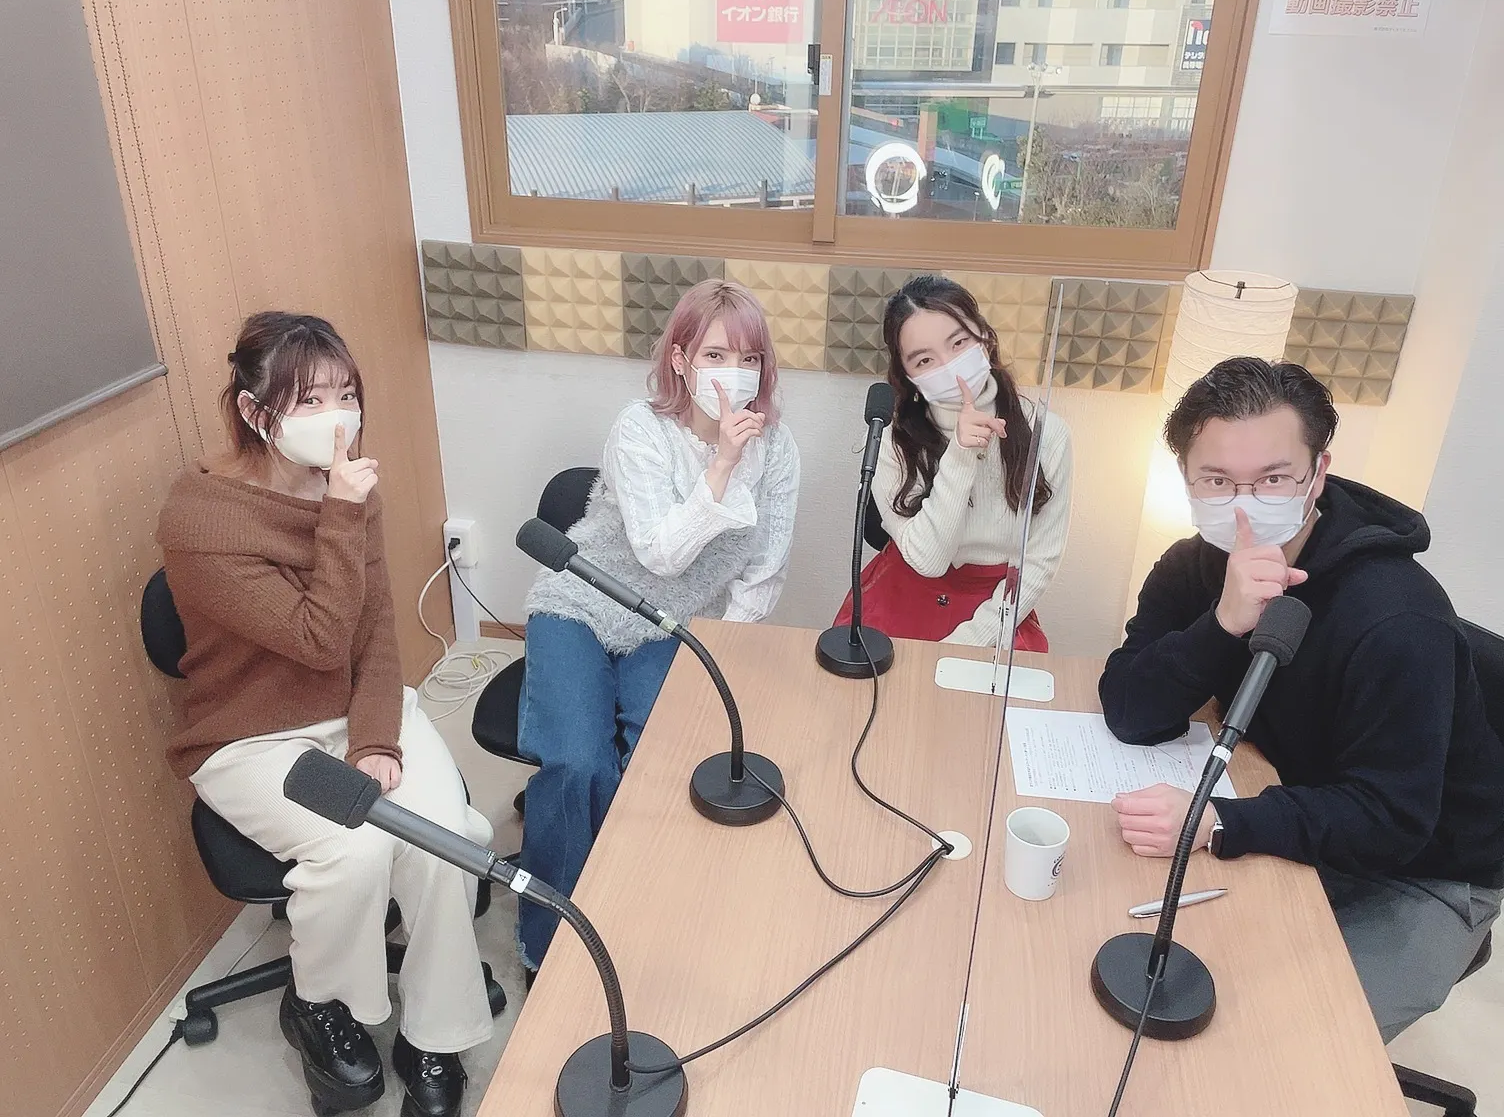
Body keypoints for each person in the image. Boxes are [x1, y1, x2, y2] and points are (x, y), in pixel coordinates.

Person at [1100, 356, 1504, 1043]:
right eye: (1217, 480)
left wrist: (1220, 823)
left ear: (1317, 474)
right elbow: (1129, 709)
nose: (1244, 503)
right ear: (1187, 480)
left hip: (1423, 873)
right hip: (1288, 799)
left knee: (1285, 1047)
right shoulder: (1194, 566)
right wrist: (1222, 623)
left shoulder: (1398, 618)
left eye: (1273, 479)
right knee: (1144, 971)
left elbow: (1393, 818)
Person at [157, 312, 492, 1117]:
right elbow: (319, 639)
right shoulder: (201, 519)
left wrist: (376, 738)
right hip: (250, 736)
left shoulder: (346, 488)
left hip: (356, 709)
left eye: (346, 394)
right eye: (309, 400)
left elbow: (374, 632)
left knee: (441, 838)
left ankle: (436, 1036)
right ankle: (322, 1007)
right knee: (353, 852)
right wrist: (342, 512)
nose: (337, 416)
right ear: (253, 411)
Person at [517, 279, 801, 974]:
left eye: (750, 358)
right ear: (679, 359)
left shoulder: (777, 447)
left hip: (670, 623)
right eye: (715, 356)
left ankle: (628, 909)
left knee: (662, 760)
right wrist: (722, 465)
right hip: (584, 603)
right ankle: (547, 945)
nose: (735, 374)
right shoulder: (639, 429)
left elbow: (763, 572)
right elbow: (659, 554)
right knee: (578, 762)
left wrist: (719, 653)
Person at [835, 275, 1072, 649]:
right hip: (903, 593)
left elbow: (1040, 561)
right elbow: (928, 561)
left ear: (985, 338)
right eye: (925, 360)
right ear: (908, 377)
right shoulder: (890, 439)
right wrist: (961, 454)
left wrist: (968, 642)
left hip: (997, 608)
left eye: (959, 343)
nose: (950, 366)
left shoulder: (1047, 434)